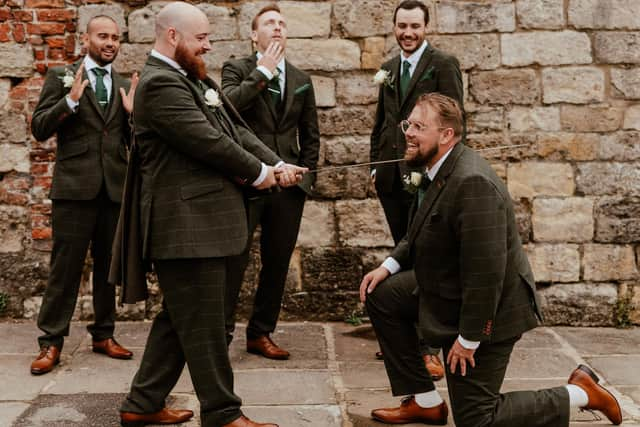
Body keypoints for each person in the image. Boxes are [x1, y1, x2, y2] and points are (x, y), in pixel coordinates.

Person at [359, 93, 622, 426]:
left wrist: (468, 340)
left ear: (446, 135)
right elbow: (419, 228)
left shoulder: (472, 183)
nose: (408, 133)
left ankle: (582, 393)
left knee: (476, 418)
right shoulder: (439, 167)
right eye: (407, 124)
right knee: (382, 296)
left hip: (491, 310)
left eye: (418, 127)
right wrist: (388, 266)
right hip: (450, 286)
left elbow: (487, 275)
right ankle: (426, 402)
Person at [117, 3, 305, 427]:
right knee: (204, 324)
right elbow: (206, 142)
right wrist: (260, 175)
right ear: (172, 36)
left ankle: (141, 404)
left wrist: (275, 165)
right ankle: (223, 414)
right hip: (186, 226)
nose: (208, 44)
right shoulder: (159, 83)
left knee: (181, 317)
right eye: (201, 37)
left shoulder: (189, 76)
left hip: (207, 224)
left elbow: (234, 130)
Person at [29, 15, 137, 375]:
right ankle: (51, 341)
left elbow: (132, 143)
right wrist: (70, 102)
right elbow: (39, 128)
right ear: (85, 38)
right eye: (103, 36)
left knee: (109, 268)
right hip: (74, 190)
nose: (110, 42)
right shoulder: (61, 77)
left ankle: (103, 334)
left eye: (115, 38)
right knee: (65, 269)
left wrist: (133, 117)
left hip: (114, 190)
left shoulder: (123, 84)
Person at [221, 3, 320, 360]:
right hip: (246, 180)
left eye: (281, 23)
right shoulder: (237, 69)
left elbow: (311, 135)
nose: (277, 28)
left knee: (277, 262)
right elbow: (227, 110)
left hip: (288, 186)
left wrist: (305, 177)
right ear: (253, 35)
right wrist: (262, 72)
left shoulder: (301, 80)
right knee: (235, 259)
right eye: (269, 23)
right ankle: (222, 333)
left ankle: (260, 332)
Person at [370, 0, 464, 377]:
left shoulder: (443, 64)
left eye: (415, 26)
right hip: (392, 178)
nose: (408, 33)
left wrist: (437, 173)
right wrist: (377, 166)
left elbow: (457, 122)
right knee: (402, 255)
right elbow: (382, 120)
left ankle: (428, 346)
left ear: (426, 27)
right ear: (394, 27)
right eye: (402, 26)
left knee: (425, 260)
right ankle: (404, 337)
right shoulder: (389, 68)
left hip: (425, 177)